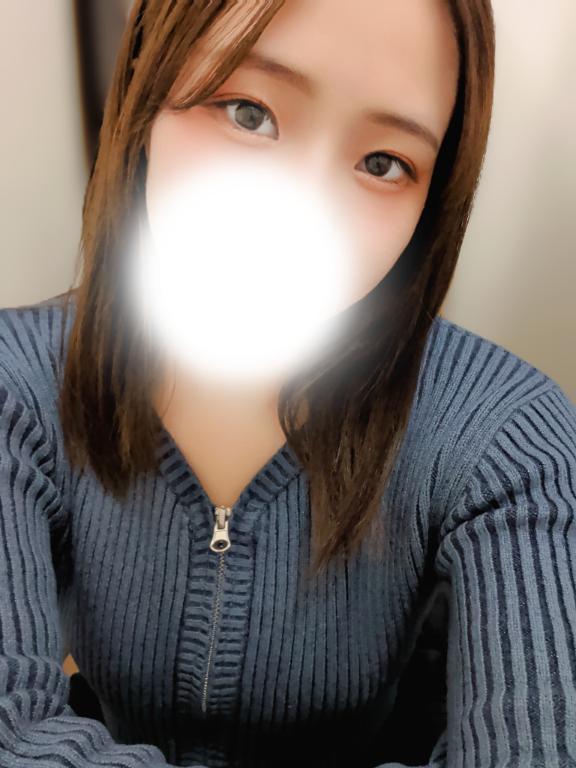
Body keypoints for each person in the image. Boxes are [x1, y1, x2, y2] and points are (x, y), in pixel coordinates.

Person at [0, 1, 575, 766]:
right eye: (249, 112)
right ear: (144, 88)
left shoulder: (510, 435)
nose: (305, 206)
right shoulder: (16, 385)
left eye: (384, 163)